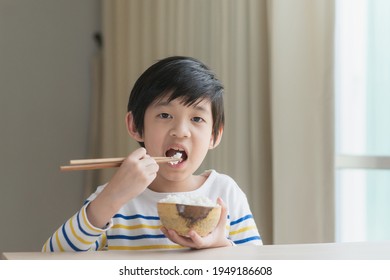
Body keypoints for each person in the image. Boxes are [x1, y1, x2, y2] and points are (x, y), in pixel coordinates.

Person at [42, 56, 262, 252]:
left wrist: (222, 245)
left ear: (215, 134)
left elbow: (261, 268)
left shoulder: (225, 193)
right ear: (136, 125)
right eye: (165, 115)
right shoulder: (114, 198)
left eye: (197, 119)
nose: (181, 131)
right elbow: (50, 261)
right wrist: (112, 197)